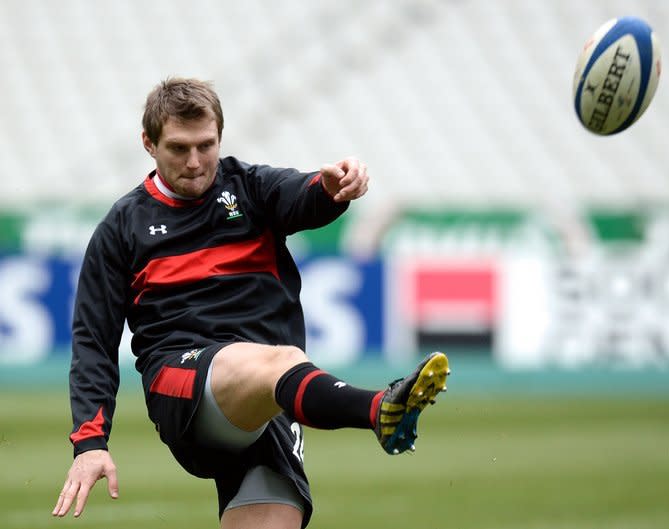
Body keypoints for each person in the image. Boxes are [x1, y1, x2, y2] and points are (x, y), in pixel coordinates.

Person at [50, 77, 450, 528]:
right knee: (279, 360)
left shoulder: (250, 188)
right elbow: (93, 344)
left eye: (207, 145)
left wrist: (332, 186)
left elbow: (303, 197)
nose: (196, 162)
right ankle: (380, 409)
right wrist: (90, 443)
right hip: (182, 385)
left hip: (269, 396)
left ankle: (366, 408)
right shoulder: (121, 228)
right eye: (179, 148)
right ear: (148, 143)